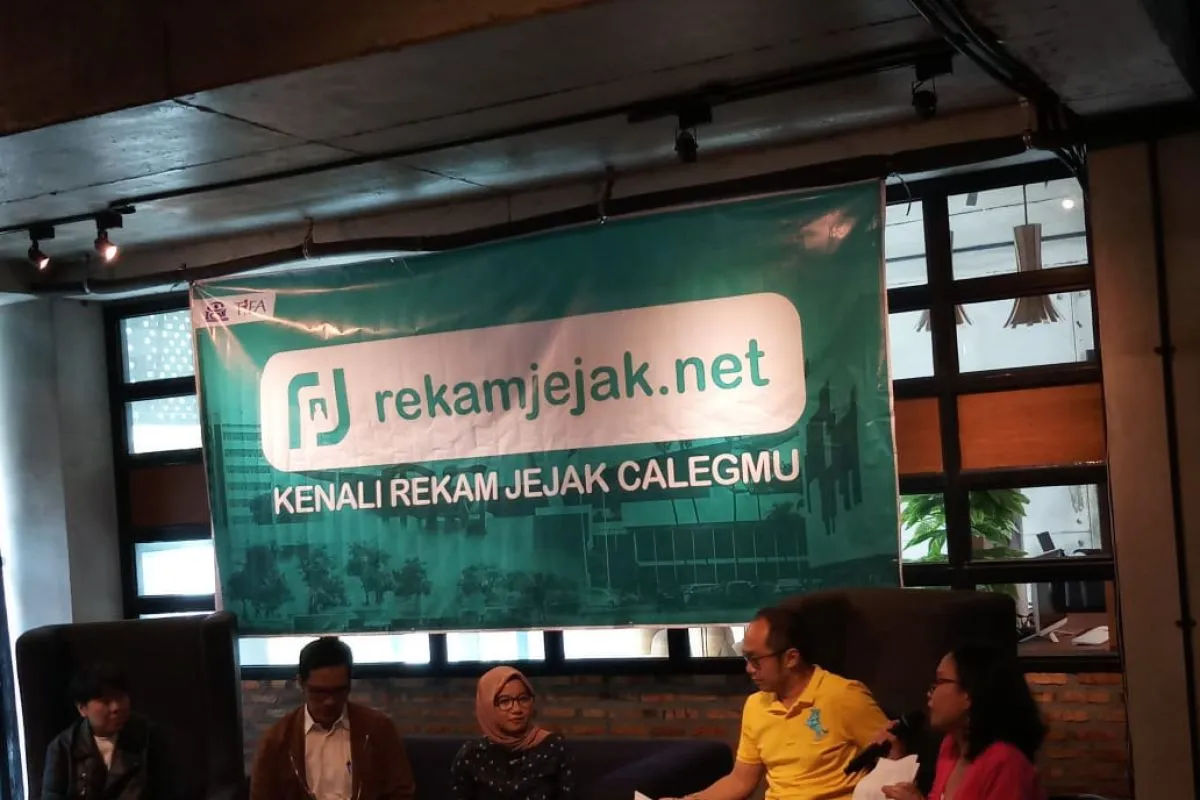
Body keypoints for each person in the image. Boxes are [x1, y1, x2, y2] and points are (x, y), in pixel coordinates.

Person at [666, 606, 889, 800]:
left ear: (791, 658)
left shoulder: (844, 696)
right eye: (746, 659)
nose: (749, 669)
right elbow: (741, 780)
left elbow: (895, 759)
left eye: (756, 660)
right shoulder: (756, 705)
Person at [249, 636, 416, 800]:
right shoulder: (277, 741)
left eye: (338, 691)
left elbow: (401, 792)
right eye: (319, 692)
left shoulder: (378, 729)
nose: (329, 701)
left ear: (349, 685)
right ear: (301, 683)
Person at [880, 642, 1046, 800]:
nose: (930, 693)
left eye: (939, 682)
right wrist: (896, 761)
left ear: (969, 693)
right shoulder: (950, 746)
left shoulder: (1006, 763)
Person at [42, 663, 176, 800]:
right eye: (105, 701)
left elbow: (168, 791)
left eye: (121, 697)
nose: (116, 707)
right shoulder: (63, 748)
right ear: (82, 708)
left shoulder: (150, 737)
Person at [450, 665, 575, 799]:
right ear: (487, 707)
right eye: (504, 701)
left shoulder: (553, 747)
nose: (517, 709)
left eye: (523, 699)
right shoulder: (472, 755)